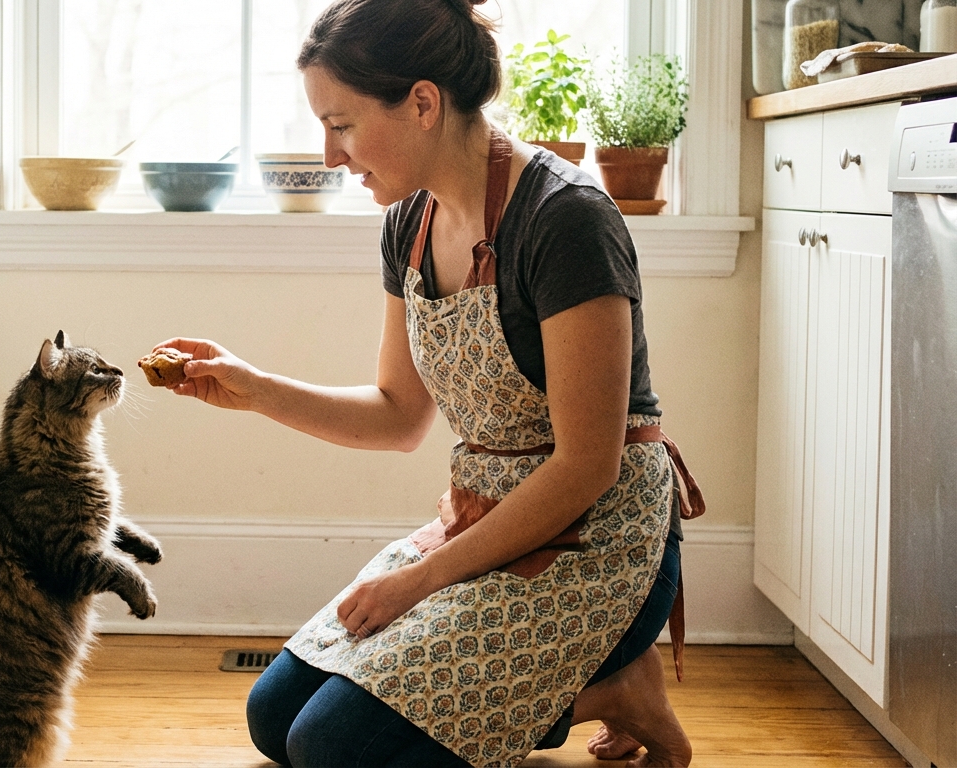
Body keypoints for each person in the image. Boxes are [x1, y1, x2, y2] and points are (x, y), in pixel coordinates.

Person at [150, 0, 703, 765]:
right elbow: (397, 414)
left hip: (599, 541)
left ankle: (610, 684)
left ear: (422, 102)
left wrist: (417, 582)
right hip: (483, 521)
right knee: (273, 716)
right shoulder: (407, 220)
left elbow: (587, 467)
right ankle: (597, 686)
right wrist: (253, 387)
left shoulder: (566, 220)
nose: (331, 154)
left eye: (342, 124)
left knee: (333, 747)